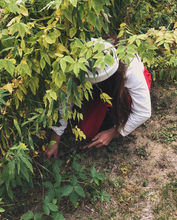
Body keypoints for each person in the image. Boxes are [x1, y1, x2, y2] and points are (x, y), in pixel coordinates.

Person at [45, 38, 151, 159]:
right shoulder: (80, 61)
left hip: (124, 89)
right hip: (102, 92)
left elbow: (144, 112)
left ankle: (120, 113)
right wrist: (54, 141)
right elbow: (66, 102)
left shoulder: (130, 68)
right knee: (86, 132)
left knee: (126, 103)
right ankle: (108, 112)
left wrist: (114, 132)